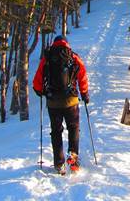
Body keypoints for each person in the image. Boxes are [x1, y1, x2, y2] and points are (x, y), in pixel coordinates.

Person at [33, 35, 89, 175]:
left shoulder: (47, 57)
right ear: (67, 44)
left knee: (56, 131)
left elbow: (37, 80)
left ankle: (59, 164)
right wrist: (85, 93)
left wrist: (39, 91)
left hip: (53, 102)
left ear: (54, 43)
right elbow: (82, 75)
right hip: (71, 101)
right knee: (73, 128)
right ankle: (73, 159)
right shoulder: (73, 56)